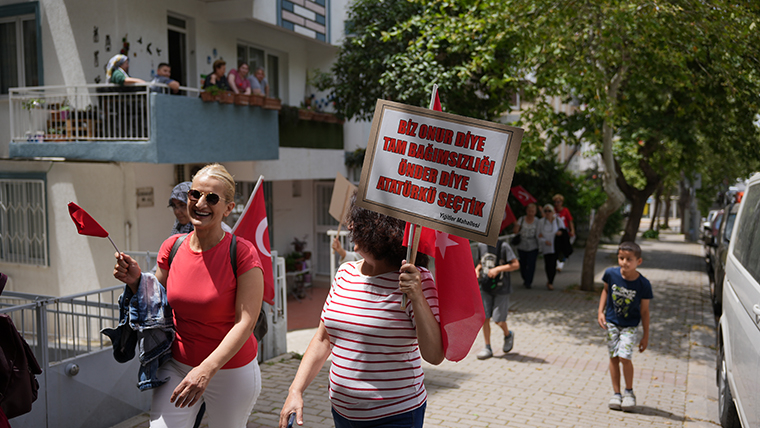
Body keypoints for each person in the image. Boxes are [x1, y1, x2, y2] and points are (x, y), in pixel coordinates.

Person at [114, 163, 264, 427]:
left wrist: (206, 370)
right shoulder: (172, 247)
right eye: (195, 194)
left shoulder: (242, 253)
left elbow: (246, 323)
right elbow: (156, 300)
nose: (200, 203)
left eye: (212, 198)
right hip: (179, 365)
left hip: (231, 369)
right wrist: (136, 280)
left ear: (228, 208)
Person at [279, 202, 442, 428]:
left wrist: (417, 295)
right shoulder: (345, 273)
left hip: (396, 415)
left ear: (379, 232)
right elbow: (323, 339)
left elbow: (434, 354)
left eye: (358, 224)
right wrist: (295, 390)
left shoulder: (416, 279)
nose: (350, 226)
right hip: (342, 414)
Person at [597, 241, 652, 412]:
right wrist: (601, 312)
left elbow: (644, 311)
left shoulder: (643, 284)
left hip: (630, 326)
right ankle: (616, 394)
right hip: (612, 323)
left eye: (629, 259)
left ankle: (629, 392)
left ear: (638, 261)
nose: (624, 262)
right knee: (613, 357)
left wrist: (646, 336)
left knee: (624, 357)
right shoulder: (611, 274)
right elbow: (606, 290)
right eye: (621, 258)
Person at [475, 239, 520, 359]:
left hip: (501, 289)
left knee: (499, 320)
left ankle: (508, 334)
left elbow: (515, 264)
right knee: (485, 318)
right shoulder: (481, 244)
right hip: (485, 287)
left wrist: (498, 269)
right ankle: (487, 347)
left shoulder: (503, 246)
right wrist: (477, 270)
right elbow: (481, 261)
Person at [536, 204, 564, 290]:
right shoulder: (541, 222)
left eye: (549, 211)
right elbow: (538, 234)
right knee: (548, 264)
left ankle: (551, 281)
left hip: (555, 246)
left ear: (553, 212)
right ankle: (549, 279)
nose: (548, 213)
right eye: (546, 211)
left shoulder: (558, 221)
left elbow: (563, 230)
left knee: (553, 263)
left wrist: (560, 233)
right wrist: (544, 241)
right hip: (546, 246)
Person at [512, 203, 539, 289]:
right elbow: (516, 231)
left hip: (533, 244)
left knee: (531, 264)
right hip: (522, 244)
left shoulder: (537, 221)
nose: (531, 213)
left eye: (533, 211)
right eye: (529, 211)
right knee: (523, 263)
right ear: (526, 211)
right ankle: (524, 277)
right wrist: (516, 226)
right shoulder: (522, 219)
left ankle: (529, 282)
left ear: (535, 212)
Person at [553, 194, 575, 272]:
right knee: (556, 248)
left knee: (564, 248)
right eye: (555, 202)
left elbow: (570, 221)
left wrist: (572, 230)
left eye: (558, 202)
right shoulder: (552, 211)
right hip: (555, 232)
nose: (557, 204)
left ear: (561, 202)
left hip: (564, 232)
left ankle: (561, 263)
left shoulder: (565, 210)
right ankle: (557, 262)